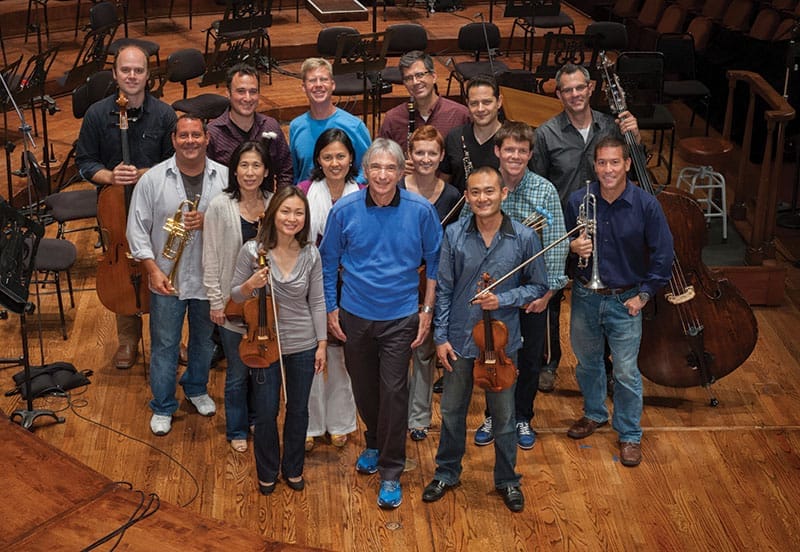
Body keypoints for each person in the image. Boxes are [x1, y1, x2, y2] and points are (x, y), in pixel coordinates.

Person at [319, 138, 442, 510]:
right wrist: (331, 308)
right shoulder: (344, 210)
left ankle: (391, 469)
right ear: (365, 171)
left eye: (391, 168)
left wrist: (426, 311)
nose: (384, 175)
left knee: (393, 391)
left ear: (402, 171)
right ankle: (373, 440)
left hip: (400, 317)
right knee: (364, 388)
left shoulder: (421, 211)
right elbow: (328, 263)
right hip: (355, 315)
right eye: (377, 167)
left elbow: (435, 264)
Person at [423, 166, 547, 513]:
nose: (482, 198)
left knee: (505, 417)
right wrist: (441, 337)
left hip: (503, 344)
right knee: (451, 411)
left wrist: (503, 299)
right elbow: (445, 290)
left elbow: (538, 286)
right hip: (461, 340)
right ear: (467, 196)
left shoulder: (524, 237)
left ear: (503, 193)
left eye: (489, 191)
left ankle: (507, 480)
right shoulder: (454, 235)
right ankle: (447, 472)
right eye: (475, 192)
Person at [532, 63, 641, 393]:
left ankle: (607, 364)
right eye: (568, 90)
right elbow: (538, 182)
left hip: (607, 223)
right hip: (563, 226)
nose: (575, 95)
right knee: (550, 293)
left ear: (591, 88)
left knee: (602, 295)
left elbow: (634, 167)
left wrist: (635, 137)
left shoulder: (612, 126)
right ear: (558, 93)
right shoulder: (546, 133)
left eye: (580, 87)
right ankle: (547, 362)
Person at [565, 136, 673, 467]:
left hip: (626, 300)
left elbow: (663, 256)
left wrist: (643, 295)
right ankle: (595, 413)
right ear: (594, 166)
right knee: (588, 364)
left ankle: (629, 433)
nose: (608, 169)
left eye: (615, 162)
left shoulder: (646, 205)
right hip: (585, 296)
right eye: (602, 163)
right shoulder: (577, 200)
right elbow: (565, 256)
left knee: (625, 372)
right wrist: (573, 250)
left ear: (627, 164)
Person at [463, 121, 568, 451]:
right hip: (493, 291)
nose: (515, 156)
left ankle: (523, 415)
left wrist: (547, 292)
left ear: (530, 154)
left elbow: (556, 245)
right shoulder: (485, 186)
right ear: (497, 151)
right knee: (493, 355)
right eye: (509, 149)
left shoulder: (545, 191)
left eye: (522, 151)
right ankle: (494, 415)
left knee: (529, 359)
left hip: (533, 291)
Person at [76, 44, 177, 370]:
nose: (132, 76)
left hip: (157, 207)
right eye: (125, 70)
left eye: (138, 70)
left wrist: (145, 174)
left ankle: (172, 336)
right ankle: (128, 339)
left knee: (165, 270)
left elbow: (176, 162)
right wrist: (109, 175)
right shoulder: (95, 115)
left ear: (148, 76)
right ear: (116, 74)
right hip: (114, 209)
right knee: (123, 270)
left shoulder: (164, 115)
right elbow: (84, 162)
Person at [126, 114, 227, 436]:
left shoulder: (224, 178)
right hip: (166, 279)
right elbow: (136, 230)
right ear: (173, 140)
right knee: (165, 345)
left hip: (206, 278)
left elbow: (237, 224)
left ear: (207, 138)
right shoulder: (153, 179)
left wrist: (208, 221)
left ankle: (196, 388)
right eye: (183, 135)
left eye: (196, 135)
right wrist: (153, 270)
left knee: (202, 343)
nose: (190, 141)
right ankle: (163, 405)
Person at [230, 186, 327, 495]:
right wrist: (250, 284)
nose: (292, 218)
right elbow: (234, 295)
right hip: (263, 344)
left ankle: (294, 467)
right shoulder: (252, 251)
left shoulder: (311, 252)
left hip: (303, 343)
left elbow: (318, 302)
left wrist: (322, 343)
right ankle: (268, 470)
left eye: (299, 213)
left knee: (298, 409)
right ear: (273, 215)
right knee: (266, 410)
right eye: (286, 211)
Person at [203, 141, 274, 453]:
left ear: (266, 171)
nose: (250, 172)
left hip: (267, 306)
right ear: (235, 170)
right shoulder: (221, 205)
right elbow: (211, 255)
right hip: (233, 302)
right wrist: (216, 301)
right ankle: (236, 428)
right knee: (237, 371)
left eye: (256, 165)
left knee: (262, 368)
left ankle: (258, 419)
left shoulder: (274, 203)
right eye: (244, 165)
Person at [297, 129, 361, 451]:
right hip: (310, 283)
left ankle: (340, 422)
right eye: (327, 157)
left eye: (341, 156)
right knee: (310, 354)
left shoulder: (363, 191)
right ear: (318, 160)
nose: (334, 163)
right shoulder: (304, 191)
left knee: (340, 357)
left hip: (351, 286)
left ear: (351, 159)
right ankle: (308, 424)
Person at [398, 125, 461, 441]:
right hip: (399, 281)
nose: (425, 158)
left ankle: (418, 418)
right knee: (396, 353)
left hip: (433, 282)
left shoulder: (452, 196)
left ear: (441, 157)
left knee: (423, 353)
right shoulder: (396, 188)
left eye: (431, 153)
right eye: (419, 152)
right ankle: (395, 413)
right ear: (410, 155)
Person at [440, 75, 532, 193]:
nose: (480, 109)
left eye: (486, 102)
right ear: (467, 103)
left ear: (499, 102)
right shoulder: (455, 137)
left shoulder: (515, 139)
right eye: (474, 103)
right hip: (462, 209)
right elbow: (445, 181)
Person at [207, 64, 293, 189]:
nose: (247, 98)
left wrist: (278, 203)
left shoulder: (271, 126)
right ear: (228, 93)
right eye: (241, 91)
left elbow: (286, 170)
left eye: (253, 92)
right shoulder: (213, 133)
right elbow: (207, 180)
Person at [289, 58, 372, 184]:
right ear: (304, 87)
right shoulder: (296, 126)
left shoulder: (354, 125)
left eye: (323, 79)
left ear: (333, 85)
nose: (318, 85)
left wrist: (346, 191)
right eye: (312, 80)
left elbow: (367, 167)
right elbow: (295, 173)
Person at [378, 50, 469, 155]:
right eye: (408, 78)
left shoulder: (461, 115)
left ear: (434, 77)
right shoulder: (393, 118)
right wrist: (400, 165)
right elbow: (379, 158)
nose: (415, 82)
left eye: (420, 75)